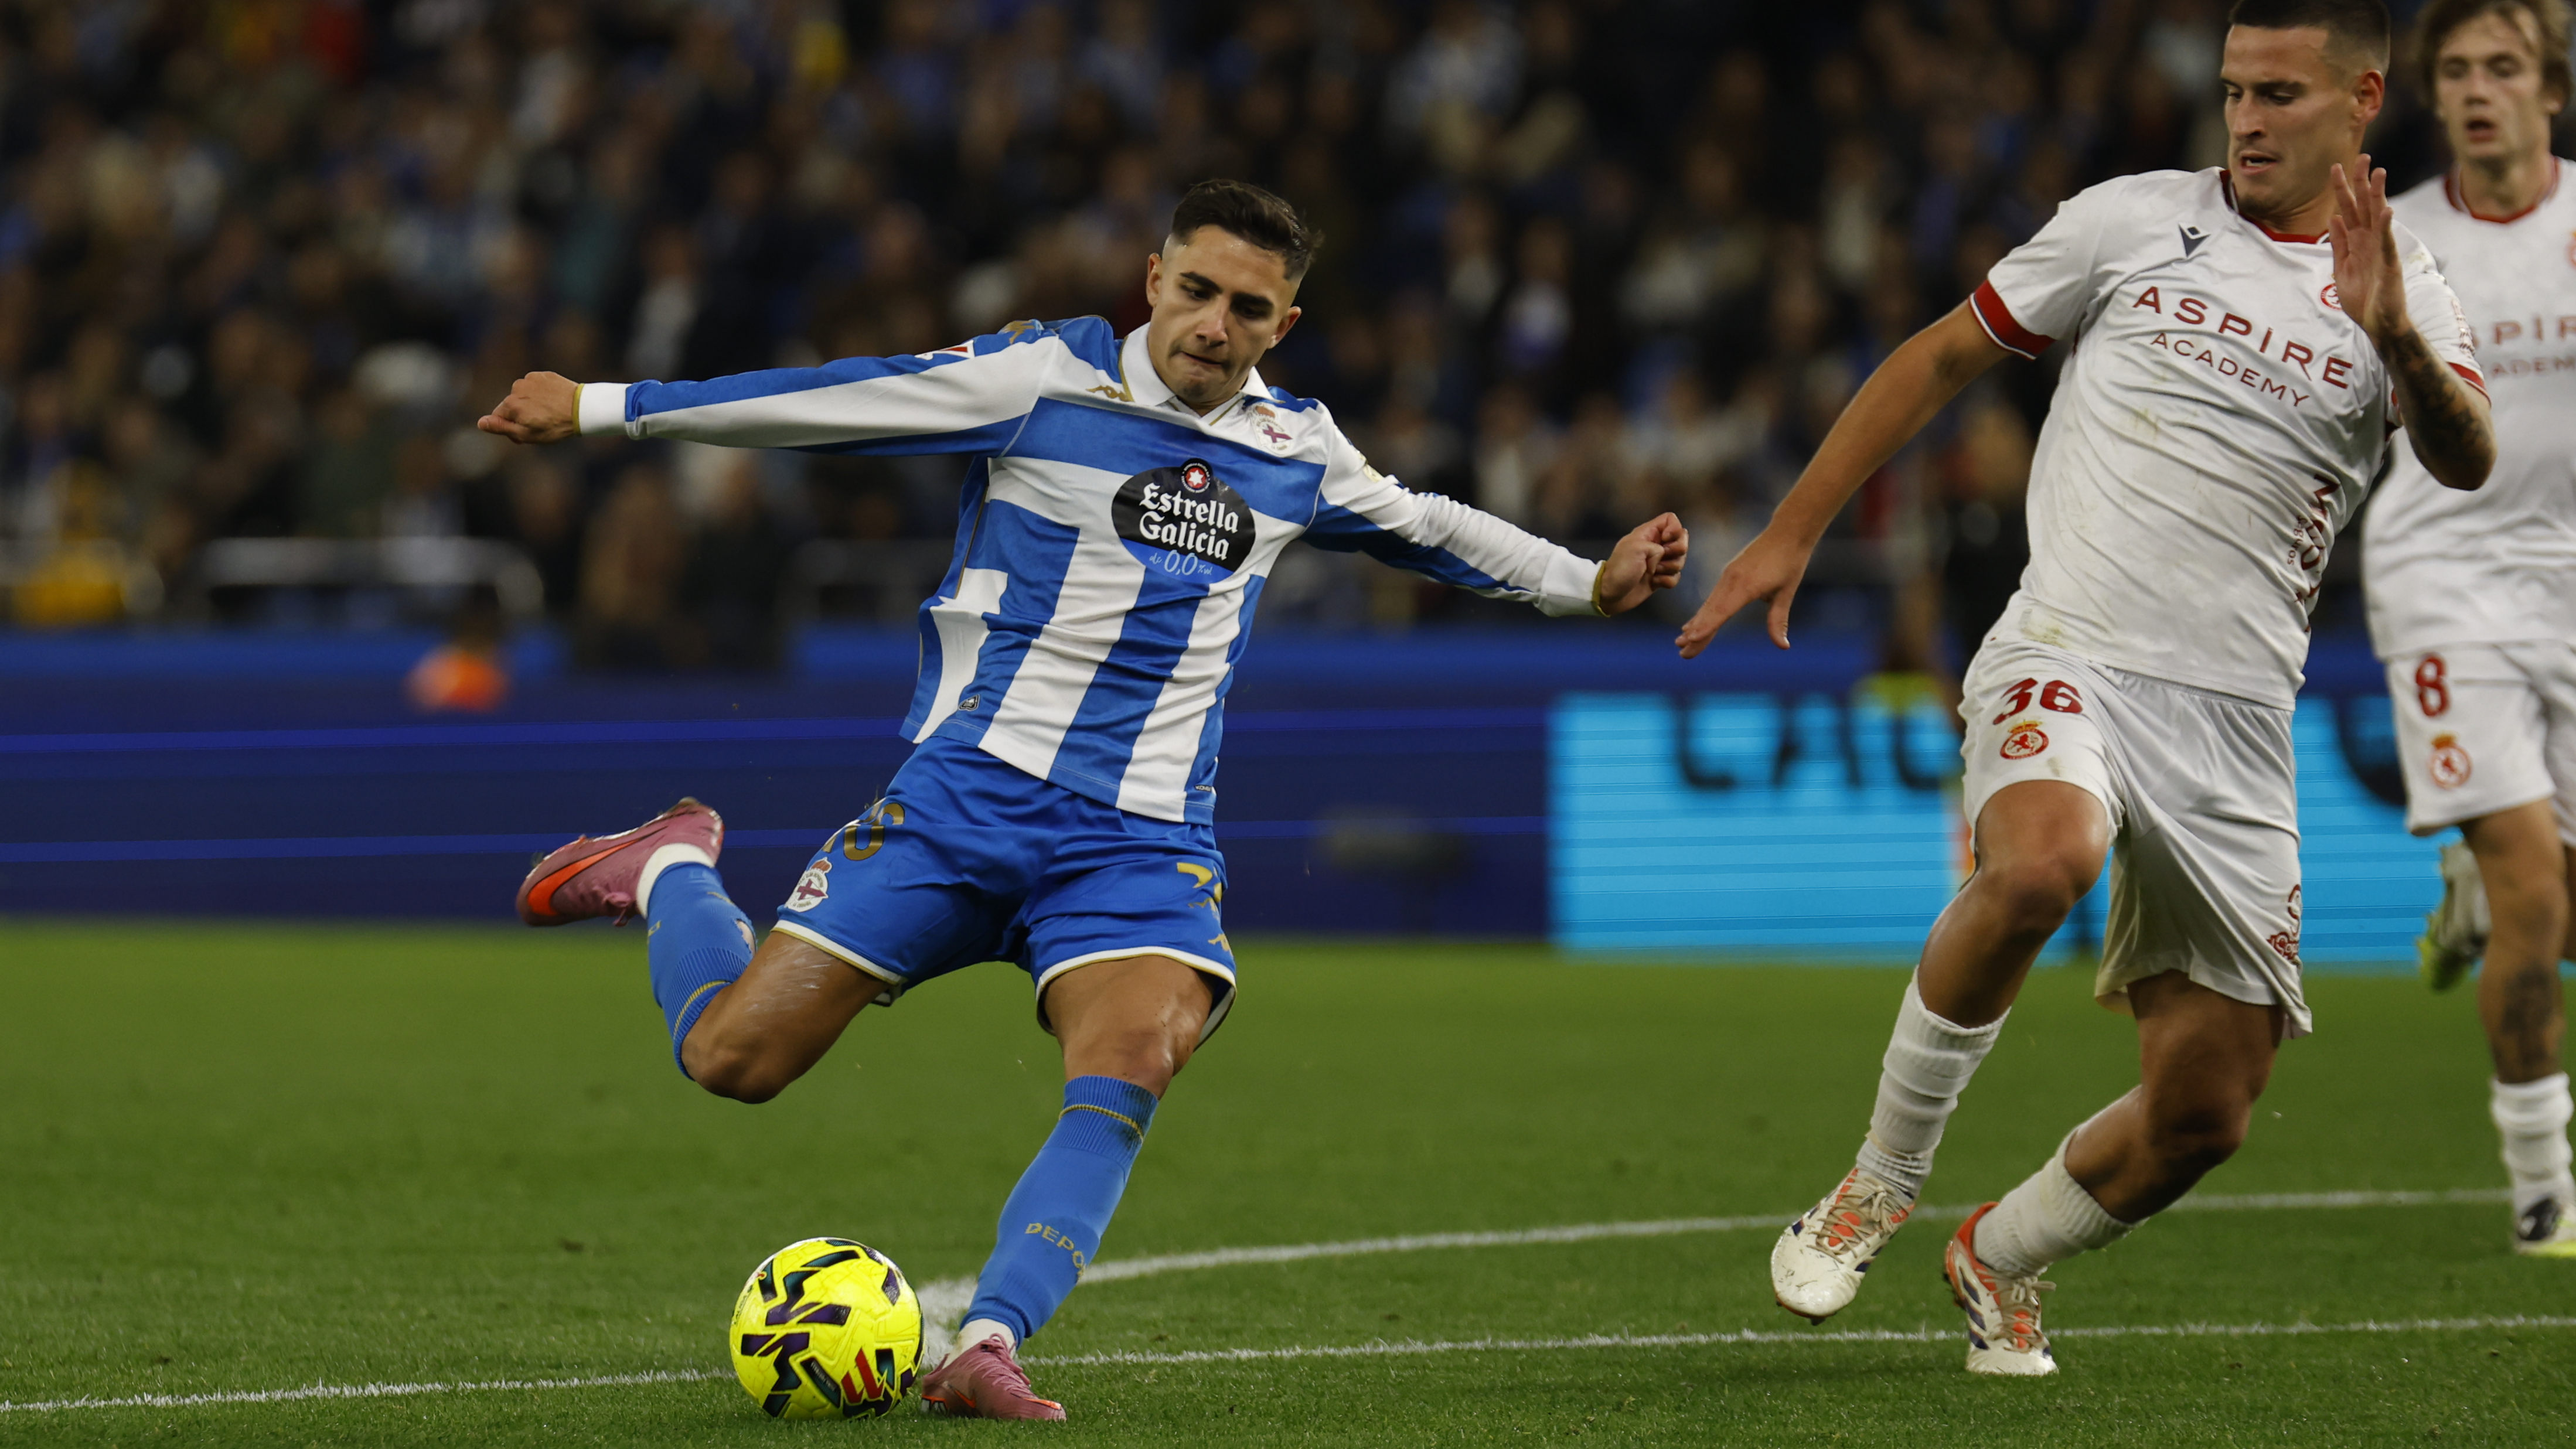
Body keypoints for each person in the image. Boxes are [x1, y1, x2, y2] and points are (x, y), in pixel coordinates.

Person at [478, 179, 1688, 1419]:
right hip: (962, 807)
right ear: (1153, 275)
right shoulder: (1037, 378)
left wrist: (1584, 580)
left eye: (1250, 308)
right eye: (1199, 290)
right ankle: (672, 863)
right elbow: (837, 400)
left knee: (1135, 1055)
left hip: (1139, 842)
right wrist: (606, 408)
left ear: (1286, 322)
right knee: (733, 1060)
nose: (1216, 324)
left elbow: (1429, 526)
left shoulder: (1295, 451)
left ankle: (987, 1342)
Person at [1677, 0, 2492, 1377]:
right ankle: (1875, 1181)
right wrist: (1795, 526)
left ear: (2361, 102)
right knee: (2042, 862)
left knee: (2207, 1109)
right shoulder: (2126, 222)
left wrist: (2395, 335)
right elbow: (1941, 353)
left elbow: (2465, 457)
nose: (2242, 119)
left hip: (2234, 720)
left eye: (2279, 95)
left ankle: (1995, 1253)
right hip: (2068, 640)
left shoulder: (2407, 286)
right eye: (2232, 89)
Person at [2362, 0, 2576, 1256]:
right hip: (2441, 573)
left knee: (2543, 908)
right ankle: (2541, 1183)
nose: (2476, 89)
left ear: (2548, 87)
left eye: (2501, 66)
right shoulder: (2397, 238)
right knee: (2532, 887)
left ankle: (2469, 910)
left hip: (2570, 576)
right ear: (2430, 96)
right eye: (2453, 71)